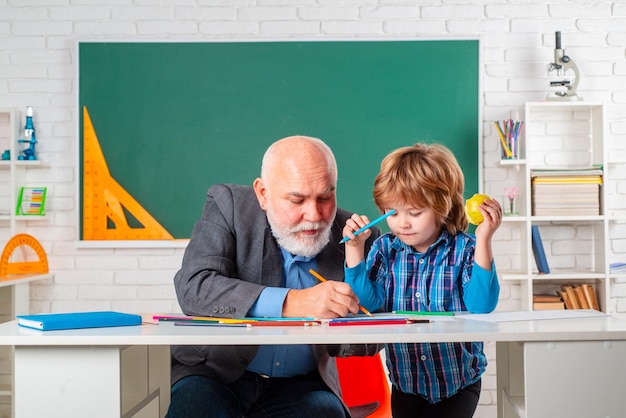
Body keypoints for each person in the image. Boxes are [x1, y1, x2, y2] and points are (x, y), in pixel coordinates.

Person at [167, 135, 381, 418]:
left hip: (301, 387)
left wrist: (350, 310)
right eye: (297, 199)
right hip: (213, 374)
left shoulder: (358, 237)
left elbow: (367, 342)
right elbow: (195, 286)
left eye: (325, 197)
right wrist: (293, 303)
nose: (314, 215)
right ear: (263, 193)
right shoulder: (228, 205)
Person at [342, 143, 502, 418]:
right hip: (406, 384)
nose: (402, 223)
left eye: (414, 213)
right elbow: (369, 304)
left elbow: (481, 305)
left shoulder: (464, 249)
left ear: (442, 206)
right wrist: (355, 250)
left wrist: (484, 239)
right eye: (392, 212)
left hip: (458, 383)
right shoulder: (384, 249)